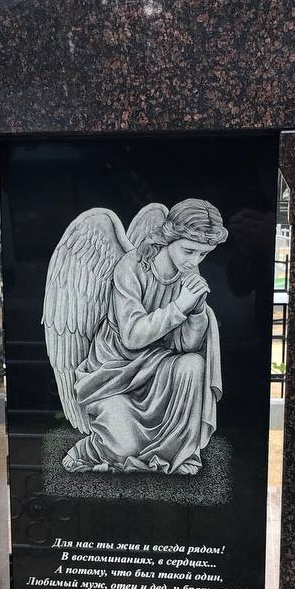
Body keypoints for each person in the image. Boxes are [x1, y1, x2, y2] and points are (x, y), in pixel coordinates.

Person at [59, 198, 226, 475]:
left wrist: (197, 312)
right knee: (124, 448)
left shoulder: (187, 272)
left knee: (194, 364)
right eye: (189, 251)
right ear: (170, 238)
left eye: (203, 254)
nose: (194, 261)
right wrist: (180, 306)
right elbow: (132, 336)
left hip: (159, 369)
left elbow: (187, 346)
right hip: (115, 375)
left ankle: (177, 453)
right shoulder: (131, 267)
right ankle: (85, 450)